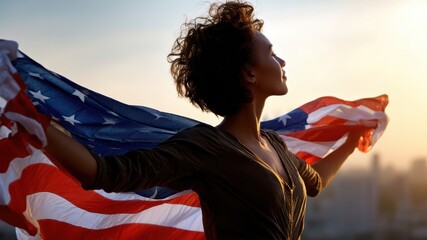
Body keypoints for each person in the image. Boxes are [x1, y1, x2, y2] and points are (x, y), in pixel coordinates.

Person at [44, 1, 366, 239]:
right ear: (248, 73)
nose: (281, 61)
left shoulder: (274, 145)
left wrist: (352, 140)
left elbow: (315, 182)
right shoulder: (206, 148)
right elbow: (104, 173)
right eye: (271, 53)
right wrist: (35, 121)